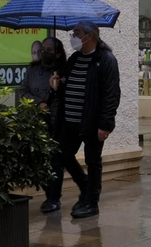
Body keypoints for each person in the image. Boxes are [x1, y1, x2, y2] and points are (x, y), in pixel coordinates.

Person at [49, 21, 120, 218]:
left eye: (76, 32)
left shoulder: (105, 60)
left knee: (93, 161)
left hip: (91, 122)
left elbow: (111, 94)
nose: (73, 36)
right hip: (69, 121)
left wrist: (105, 124)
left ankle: (91, 202)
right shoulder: (74, 59)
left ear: (89, 35)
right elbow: (69, 86)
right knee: (63, 154)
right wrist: (57, 85)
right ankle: (85, 185)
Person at [18, 36, 67, 213]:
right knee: (38, 160)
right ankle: (48, 191)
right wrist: (38, 102)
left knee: (55, 160)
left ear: (58, 52)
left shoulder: (63, 71)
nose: (45, 52)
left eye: (49, 49)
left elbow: (66, 98)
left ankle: (54, 197)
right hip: (36, 121)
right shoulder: (32, 70)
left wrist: (59, 86)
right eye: (43, 49)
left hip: (56, 122)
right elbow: (23, 92)